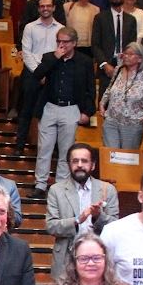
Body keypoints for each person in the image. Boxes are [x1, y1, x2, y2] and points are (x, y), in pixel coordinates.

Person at [29, 27, 94, 200]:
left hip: (71, 108)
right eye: (59, 41)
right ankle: (40, 185)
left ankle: (60, 187)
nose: (61, 45)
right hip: (50, 107)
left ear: (74, 43)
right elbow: (37, 75)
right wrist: (55, 58)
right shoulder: (49, 57)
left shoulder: (85, 61)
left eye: (65, 42)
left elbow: (90, 89)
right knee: (44, 148)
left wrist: (87, 112)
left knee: (66, 150)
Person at [45, 142, 120, 276]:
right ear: (69, 165)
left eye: (84, 161)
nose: (79, 165)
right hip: (66, 258)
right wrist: (77, 220)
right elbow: (51, 226)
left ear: (93, 165)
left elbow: (116, 227)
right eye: (75, 161)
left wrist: (98, 216)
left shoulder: (108, 189)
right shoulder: (56, 190)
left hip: (98, 258)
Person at [99, 42, 143, 149]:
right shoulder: (118, 70)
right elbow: (110, 88)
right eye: (125, 53)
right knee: (111, 155)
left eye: (130, 54)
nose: (126, 56)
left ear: (140, 58)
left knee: (127, 157)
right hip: (111, 121)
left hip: (133, 124)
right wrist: (102, 103)